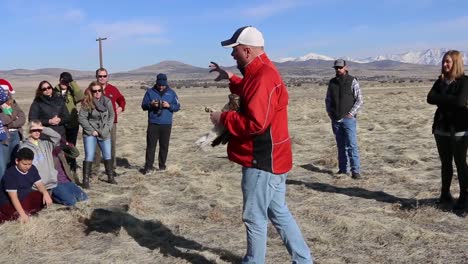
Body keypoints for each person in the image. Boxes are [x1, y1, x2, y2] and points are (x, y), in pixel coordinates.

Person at [209, 26, 313, 264]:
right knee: (278, 211)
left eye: (235, 51)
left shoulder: (263, 76)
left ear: (246, 50)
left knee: (254, 218)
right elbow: (251, 92)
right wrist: (231, 78)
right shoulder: (261, 72)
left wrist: (222, 118)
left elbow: (256, 123)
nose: (232, 55)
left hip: (262, 160)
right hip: (274, 158)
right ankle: (303, 259)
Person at [427, 50, 468, 210]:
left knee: (460, 163)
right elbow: (429, 98)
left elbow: (460, 102)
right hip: (441, 128)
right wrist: (450, 100)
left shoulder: (464, 81)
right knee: (445, 163)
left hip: (459, 130)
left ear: (455, 63)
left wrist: (441, 100)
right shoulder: (441, 81)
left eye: (448, 62)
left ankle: (465, 197)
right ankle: (445, 194)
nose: (444, 65)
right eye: (443, 61)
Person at [325, 59, 363, 179]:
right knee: (340, 145)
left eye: (340, 67)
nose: (338, 70)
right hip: (335, 119)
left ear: (345, 67)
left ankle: (355, 171)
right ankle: (342, 170)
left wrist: (351, 113)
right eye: (336, 68)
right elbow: (328, 100)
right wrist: (330, 113)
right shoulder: (332, 83)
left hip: (348, 120)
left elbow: (359, 99)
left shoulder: (352, 81)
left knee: (352, 145)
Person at [140, 73, 180, 175]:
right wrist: (151, 104)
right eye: (159, 85)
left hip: (166, 124)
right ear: (156, 83)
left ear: (166, 83)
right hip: (153, 123)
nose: (161, 87)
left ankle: (162, 166)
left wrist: (169, 105)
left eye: (163, 85)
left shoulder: (171, 93)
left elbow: (177, 106)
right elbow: (143, 106)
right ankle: (148, 167)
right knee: (151, 146)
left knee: (164, 146)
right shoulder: (150, 92)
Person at [78, 81, 116, 188]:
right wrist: (91, 131)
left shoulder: (107, 101)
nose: (97, 93)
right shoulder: (87, 102)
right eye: (94, 91)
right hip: (91, 132)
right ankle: (86, 181)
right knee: (89, 155)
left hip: (104, 132)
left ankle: (110, 177)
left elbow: (111, 116)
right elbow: (81, 118)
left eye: (99, 90)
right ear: (91, 91)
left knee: (107, 154)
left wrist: (107, 129)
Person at [0, 148, 52, 223]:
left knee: (43, 197)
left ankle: (27, 211)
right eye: (24, 164)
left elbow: (39, 184)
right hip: (8, 202)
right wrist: (23, 215)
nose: (27, 167)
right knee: (15, 214)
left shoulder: (32, 168)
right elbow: (13, 197)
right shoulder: (10, 175)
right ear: (17, 161)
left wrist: (45, 193)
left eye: (29, 164)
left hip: (24, 197)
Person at [92, 68, 126, 175]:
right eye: (100, 76)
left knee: (111, 145)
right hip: (96, 122)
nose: (102, 78)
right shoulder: (91, 89)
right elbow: (85, 101)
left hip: (111, 122)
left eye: (104, 76)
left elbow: (121, 99)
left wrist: (120, 108)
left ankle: (111, 168)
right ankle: (94, 169)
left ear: (107, 77)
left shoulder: (113, 89)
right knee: (96, 146)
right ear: (96, 77)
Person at [54, 72, 84, 174]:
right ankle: (62, 169)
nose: (64, 82)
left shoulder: (71, 91)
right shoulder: (54, 91)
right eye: (62, 80)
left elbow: (81, 96)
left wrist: (72, 82)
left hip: (72, 124)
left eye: (66, 81)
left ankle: (72, 168)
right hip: (60, 125)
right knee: (61, 146)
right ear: (59, 80)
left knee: (71, 146)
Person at [0, 79, 26, 179]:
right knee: (2, 166)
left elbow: (22, 118)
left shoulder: (13, 102)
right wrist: (13, 117)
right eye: (2, 90)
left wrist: (10, 123)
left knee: (14, 163)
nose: (4, 93)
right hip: (4, 139)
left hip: (16, 135)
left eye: (6, 90)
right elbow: (4, 119)